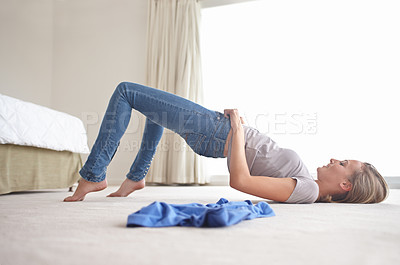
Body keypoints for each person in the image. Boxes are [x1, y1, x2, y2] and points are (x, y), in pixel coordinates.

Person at [64, 82, 389, 203]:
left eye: (343, 163)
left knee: (127, 92)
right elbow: (257, 160)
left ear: (346, 185)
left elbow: (241, 180)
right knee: (153, 110)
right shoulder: (309, 185)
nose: (335, 159)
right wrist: (239, 130)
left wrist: (236, 128)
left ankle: (93, 175)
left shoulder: (308, 190)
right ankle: (136, 178)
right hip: (220, 134)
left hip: (218, 133)